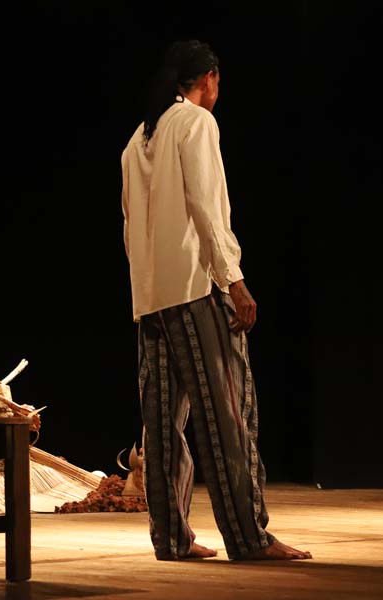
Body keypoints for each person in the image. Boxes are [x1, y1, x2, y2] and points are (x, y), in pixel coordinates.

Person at [120, 40, 312, 560]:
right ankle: (249, 537)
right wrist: (233, 279)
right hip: (192, 288)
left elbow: (130, 223)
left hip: (152, 297)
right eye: (218, 81)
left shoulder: (140, 136)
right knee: (228, 412)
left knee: (163, 422)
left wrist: (144, 289)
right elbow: (206, 205)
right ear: (208, 79)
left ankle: (171, 539)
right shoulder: (196, 122)